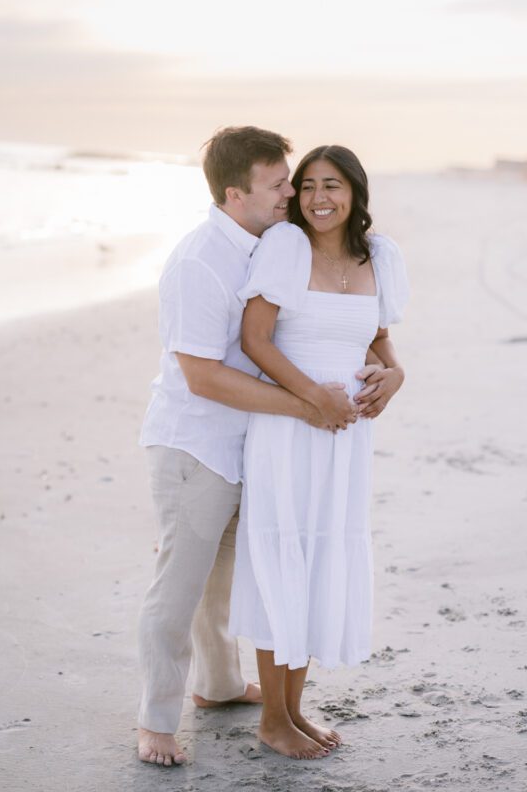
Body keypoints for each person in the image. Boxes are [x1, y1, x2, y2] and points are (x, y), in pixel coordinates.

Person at [136, 127, 387, 767]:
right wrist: (308, 405)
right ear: (234, 192)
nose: (290, 195)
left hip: (252, 444)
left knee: (224, 583)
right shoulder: (199, 262)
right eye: (279, 185)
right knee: (180, 587)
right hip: (196, 447)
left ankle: (217, 688)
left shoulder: (264, 244)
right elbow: (203, 375)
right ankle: (156, 721)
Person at [229, 144, 409, 760]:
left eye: (331, 185)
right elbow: (256, 340)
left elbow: (378, 338)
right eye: (306, 186)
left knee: (321, 558)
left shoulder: (379, 256)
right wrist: (313, 399)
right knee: (284, 557)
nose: (317, 199)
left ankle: (296, 709)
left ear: (355, 192)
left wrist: (397, 374)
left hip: (348, 438)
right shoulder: (285, 246)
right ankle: (272, 719)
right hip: (289, 431)